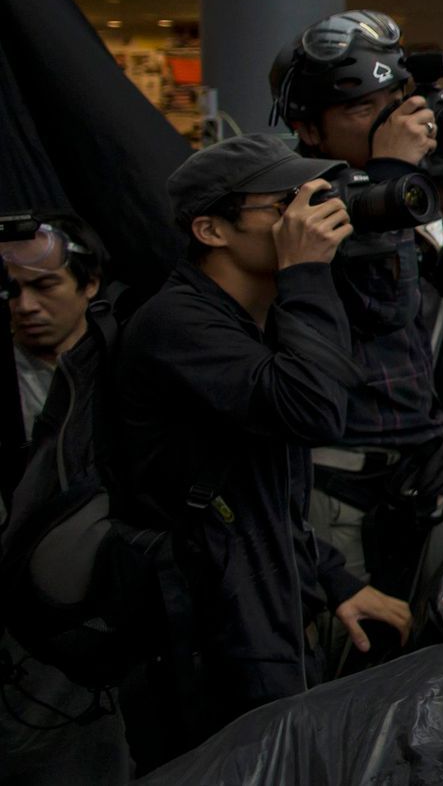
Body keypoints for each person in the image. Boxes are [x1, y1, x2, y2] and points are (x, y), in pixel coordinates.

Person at [115, 135, 411, 752]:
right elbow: (315, 412)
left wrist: (332, 581)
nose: (308, 217)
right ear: (211, 230)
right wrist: (303, 271)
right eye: (283, 205)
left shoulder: (265, 315)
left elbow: (261, 489)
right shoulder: (175, 323)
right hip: (208, 625)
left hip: (257, 593)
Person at [268, 11, 443, 623]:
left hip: (411, 475)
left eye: (397, 101)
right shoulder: (302, 203)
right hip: (338, 487)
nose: (394, 122)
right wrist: (394, 180)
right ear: (307, 130)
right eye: (363, 109)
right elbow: (378, 303)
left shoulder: (399, 187)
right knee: (345, 668)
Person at [4, 215, 105, 501]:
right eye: (12, 290)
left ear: (90, 284)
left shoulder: (131, 362)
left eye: (44, 286)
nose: (25, 306)